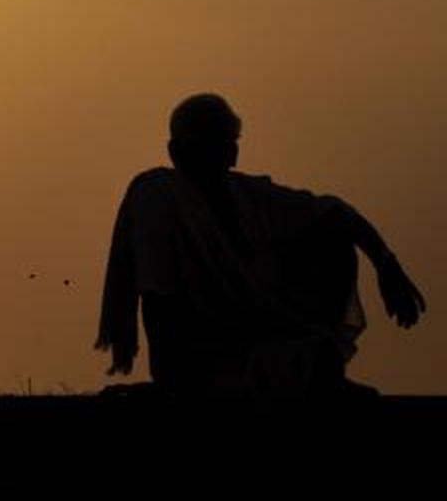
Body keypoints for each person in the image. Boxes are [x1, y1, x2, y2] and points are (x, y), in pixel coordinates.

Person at [96, 93, 426, 405]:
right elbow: (158, 296)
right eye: (214, 143)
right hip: (199, 360)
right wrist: (170, 379)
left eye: (228, 143)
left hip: (255, 346)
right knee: (311, 364)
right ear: (176, 151)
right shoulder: (159, 196)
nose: (228, 153)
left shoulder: (247, 196)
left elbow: (334, 212)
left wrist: (387, 264)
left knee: (331, 253)